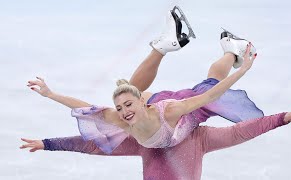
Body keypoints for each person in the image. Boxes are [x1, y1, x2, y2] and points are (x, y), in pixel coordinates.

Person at [26, 7, 262, 154]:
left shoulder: (172, 110)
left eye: (127, 106)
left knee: (211, 83)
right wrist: (50, 94)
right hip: (155, 107)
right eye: (119, 108)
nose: (122, 112)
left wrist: (244, 70)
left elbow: (209, 96)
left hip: (185, 111)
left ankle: (231, 49)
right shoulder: (122, 117)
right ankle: (165, 46)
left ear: (141, 104)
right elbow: (82, 106)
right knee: (127, 89)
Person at [20, 106, 291, 180]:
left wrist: (283, 117)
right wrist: (47, 143)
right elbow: (95, 144)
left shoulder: (200, 136)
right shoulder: (144, 140)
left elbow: (241, 131)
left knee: (212, 82)